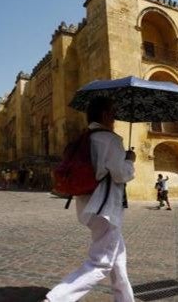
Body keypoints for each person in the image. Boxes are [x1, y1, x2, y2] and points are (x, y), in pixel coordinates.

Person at [44, 96, 136, 302]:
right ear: (105, 115)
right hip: (106, 210)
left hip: (87, 207)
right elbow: (121, 174)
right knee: (101, 263)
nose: (114, 119)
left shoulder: (85, 138)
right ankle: (55, 299)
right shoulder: (111, 139)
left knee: (118, 259)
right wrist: (130, 161)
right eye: (113, 114)